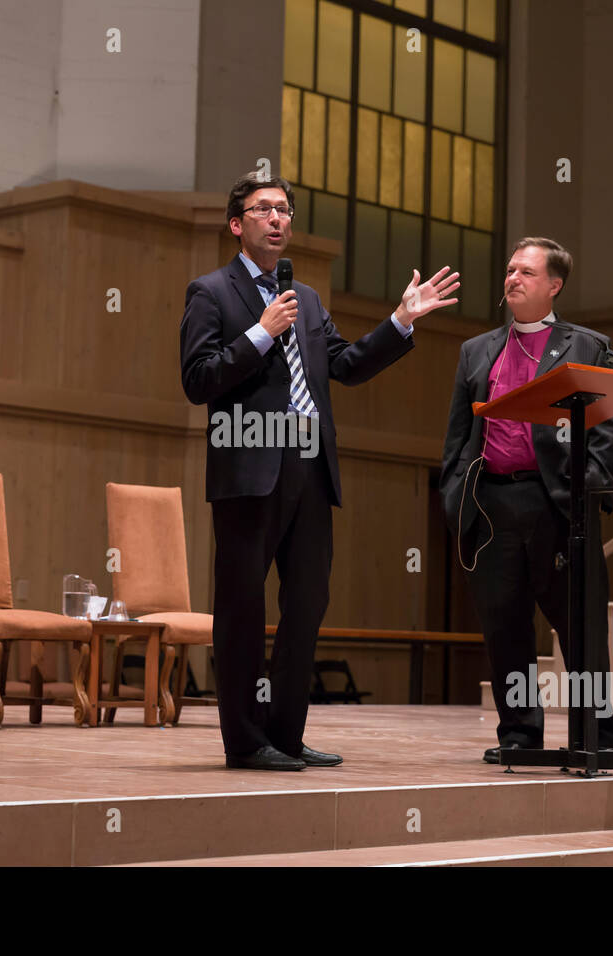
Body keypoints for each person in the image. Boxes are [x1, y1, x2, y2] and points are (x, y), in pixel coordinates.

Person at [181, 172, 459, 771]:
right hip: (249, 469)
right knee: (241, 610)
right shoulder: (211, 293)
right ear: (237, 224)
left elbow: (347, 365)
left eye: (284, 210)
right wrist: (260, 334)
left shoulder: (305, 299)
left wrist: (400, 321)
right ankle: (246, 741)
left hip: (309, 468)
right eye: (264, 210)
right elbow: (198, 378)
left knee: (306, 605)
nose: (278, 219)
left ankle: (284, 733)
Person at [439, 237, 613, 763]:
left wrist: (586, 496)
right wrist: (456, 498)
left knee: (579, 626)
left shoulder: (588, 346)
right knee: (505, 626)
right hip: (493, 504)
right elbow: (457, 436)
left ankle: (595, 736)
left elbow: (606, 434)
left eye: (525, 271)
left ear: (553, 285)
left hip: (558, 507)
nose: (512, 278)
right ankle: (519, 734)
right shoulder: (476, 350)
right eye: (510, 269)